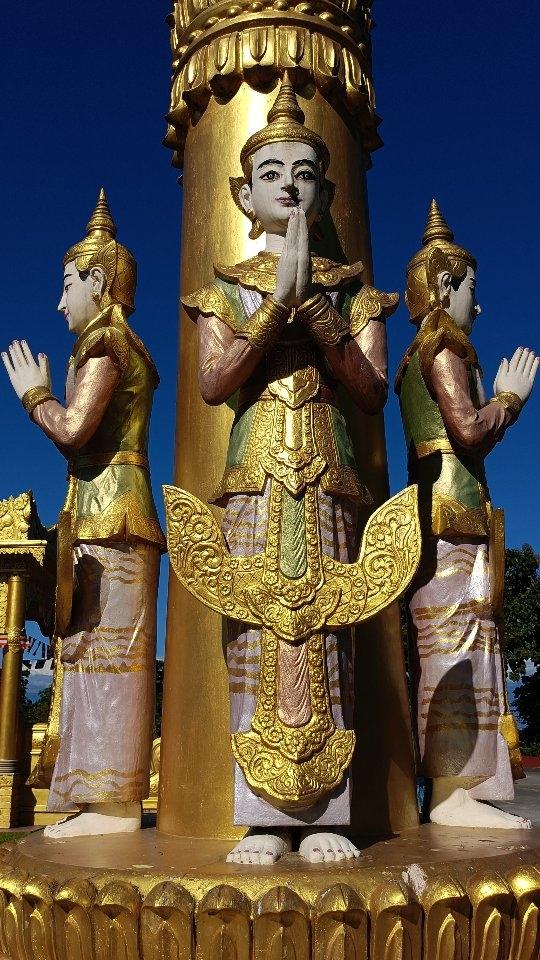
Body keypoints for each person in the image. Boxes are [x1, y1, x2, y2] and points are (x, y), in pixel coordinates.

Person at [182, 74, 399, 863]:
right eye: (272, 175)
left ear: (326, 188)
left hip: (329, 473)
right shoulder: (225, 291)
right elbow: (214, 382)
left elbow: (370, 390)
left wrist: (317, 308)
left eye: (304, 175)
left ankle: (327, 812)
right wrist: (277, 301)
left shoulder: (358, 295)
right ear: (244, 196)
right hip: (255, 475)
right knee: (255, 635)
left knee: (328, 633)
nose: (289, 188)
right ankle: (266, 815)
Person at [2, 190, 165, 837]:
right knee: (95, 659)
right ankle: (100, 798)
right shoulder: (118, 345)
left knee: (109, 664)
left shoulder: (107, 346)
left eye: (67, 284)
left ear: (99, 281)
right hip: (105, 517)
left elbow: (73, 430)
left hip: (113, 519)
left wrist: (33, 395)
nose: (60, 301)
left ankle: (113, 802)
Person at [396, 199, 538, 828]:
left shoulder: (420, 352)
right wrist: (509, 400)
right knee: (455, 647)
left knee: (462, 645)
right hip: (449, 517)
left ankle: (462, 789)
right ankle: (454, 792)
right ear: (445, 286)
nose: (475, 307)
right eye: (469, 290)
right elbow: (469, 430)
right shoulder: (442, 347)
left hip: (450, 516)